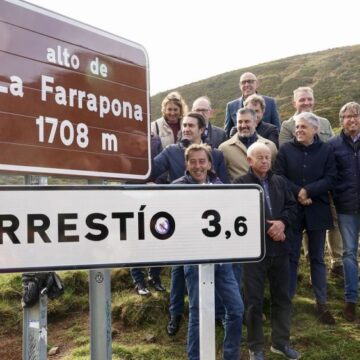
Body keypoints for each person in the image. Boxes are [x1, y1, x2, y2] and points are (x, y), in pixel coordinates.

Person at [149, 112, 229, 336]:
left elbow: (223, 185)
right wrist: (149, 184)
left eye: (191, 126)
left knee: (216, 269)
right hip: (181, 223)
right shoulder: (171, 151)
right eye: (183, 125)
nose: (186, 129)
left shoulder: (215, 154)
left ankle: (219, 315)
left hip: (209, 223)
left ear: (202, 129)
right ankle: (175, 315)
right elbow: (152, 171)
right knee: (178, 274)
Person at [173, 143, 244, 360]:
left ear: (210, 163)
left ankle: (230, 355)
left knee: (236, 309)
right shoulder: (176, 187)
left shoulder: (219, 184)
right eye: (193, 161)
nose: (197, 166)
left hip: (221, 259)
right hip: (193, 260)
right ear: (186, 164)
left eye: (202, 161)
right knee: (197, 314)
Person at [234, 142, 299, 360]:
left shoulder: (279, 181)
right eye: (259, 157)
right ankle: (256, 348)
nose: (264, 161)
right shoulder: (240, 183)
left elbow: (292, 207)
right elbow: (239, 214)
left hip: (281, 249)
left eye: (267, 157)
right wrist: (268, 228)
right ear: (249, 160)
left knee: (282, 298)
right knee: (254, 301)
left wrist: (282, 223)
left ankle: (280, 343)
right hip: (255, 252)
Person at [274, 112, 337, 325]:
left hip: (317, 209)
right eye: (297, 127)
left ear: (315, 130)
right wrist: (299, 193)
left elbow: (331, 178)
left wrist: (308, 191)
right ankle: (287, 303)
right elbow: (279, 176)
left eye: (303, 127)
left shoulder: (327, 150)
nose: (299, 130)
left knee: (317, 257)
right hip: (292, 210)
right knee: (291, 256)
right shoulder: (285, 149)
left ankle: (321, 303)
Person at [279, 86, 343, 278]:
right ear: (294, 103)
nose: (306, 103)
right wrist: (301, 191)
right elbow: (287, 154)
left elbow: (328, 148)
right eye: (302, 100)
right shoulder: (287, 125)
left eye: (309, 99)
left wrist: (311, 190)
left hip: (320, 190)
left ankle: (336, 261)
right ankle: (307, 261)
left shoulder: (323, 122)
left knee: (332, 223)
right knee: (300, 238)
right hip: (295, 190)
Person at [328, 102, 360, 322]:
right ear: (341, 121)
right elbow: (330, 175)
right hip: (346, 208)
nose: (352, 120)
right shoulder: (333, 145)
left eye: (356, 116)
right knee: (349, 253)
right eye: (347, 116)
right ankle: (351, 300)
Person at [130, 132, 165, 295]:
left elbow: (163, 167)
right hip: (133, 199)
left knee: (158, 236)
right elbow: (124, 175)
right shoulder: (128, 139)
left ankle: (154, 276)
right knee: (135, 240)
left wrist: (156, 184)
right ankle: (138, 280)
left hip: (155, 198)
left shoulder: (155, 139)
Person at [219, 108, 277, 182]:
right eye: (240, 122)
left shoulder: (270, 146)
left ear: (255, 123)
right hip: (238, 191)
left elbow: (275, 173)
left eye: (247, 121)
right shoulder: (224, 148)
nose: (243, 125)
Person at [224, 72, 281, 137]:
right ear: (240, 86)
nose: (247, 84)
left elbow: (277, 129)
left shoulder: (270, 102)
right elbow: (227, 134)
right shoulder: (231, 106)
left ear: (257, 84)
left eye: (250, 81)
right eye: (243, 82)